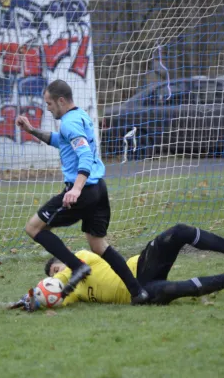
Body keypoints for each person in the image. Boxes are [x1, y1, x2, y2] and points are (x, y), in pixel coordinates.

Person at [16, 79, 147, 305]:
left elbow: (85, 155)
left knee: (33, 227)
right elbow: (60, 141)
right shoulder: (80, 117)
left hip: (83, 190)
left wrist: (75, 189)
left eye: (49, 103)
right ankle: (138, 293)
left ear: (61, 100)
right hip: (99, 189)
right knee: (98, 245)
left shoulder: (69, 123)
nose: (47, 108)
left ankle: (78, 266)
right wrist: (31, 130)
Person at [42, 223, 224, 306]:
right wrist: (35, 301)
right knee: (176, 289)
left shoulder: (82, 257)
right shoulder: (74, 292)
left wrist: (46, 285)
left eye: (57, 269)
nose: (57, 276)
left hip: (141, 268)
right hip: (142, 295)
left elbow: (65, 274)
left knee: (179, 232)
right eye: (54, 276)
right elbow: (56, 299)